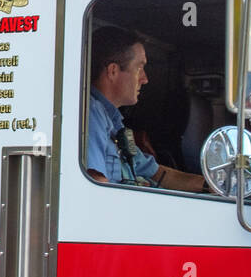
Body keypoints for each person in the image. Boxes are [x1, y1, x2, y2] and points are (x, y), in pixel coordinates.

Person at [86, 26, 206, 193]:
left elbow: (158, 174)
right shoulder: (91, 115)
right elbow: (96, 189)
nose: (145, 79)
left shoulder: (115, 124)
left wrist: (213, 187)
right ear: (113, 71)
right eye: (139, 68)